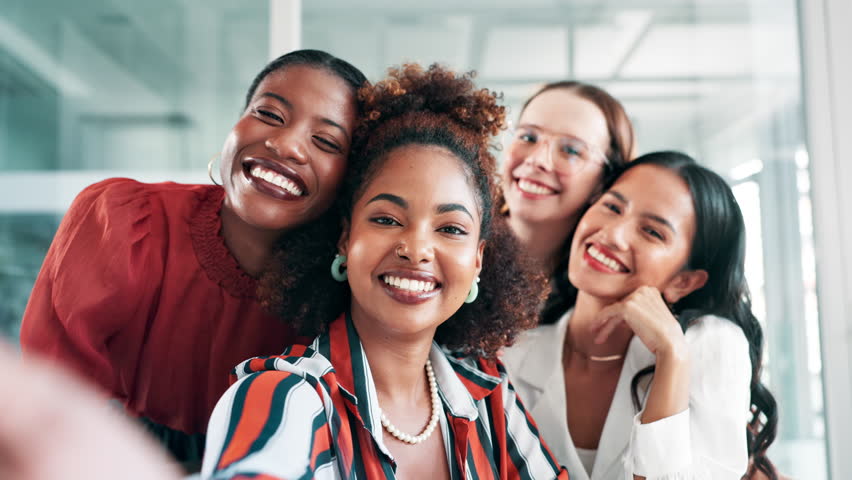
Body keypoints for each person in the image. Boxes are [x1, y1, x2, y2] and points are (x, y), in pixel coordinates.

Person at [200, 63, 568, 479]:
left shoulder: (488, 392)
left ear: (478, 259)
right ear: (345, 238)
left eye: (450, 228)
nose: (415, 250)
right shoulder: (284, 398)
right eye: (387, 219)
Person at [19, 49, 367, 465]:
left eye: (326, 141)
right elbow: (46, 410)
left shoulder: (350, 284)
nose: (285, 144)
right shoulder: (124, 222)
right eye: (270, 114)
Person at [502, 152, 779, 479]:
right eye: (612, 207)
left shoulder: (709, 343)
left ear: (683, 281)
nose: (612, 235)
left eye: (652, 232)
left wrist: (672, 356)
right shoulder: (511, 354)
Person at [500, 81, 636, 325]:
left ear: (603, 182)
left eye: (571, 150)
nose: (537, 160)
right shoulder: (453, 244)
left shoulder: (600, 294)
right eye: (528, 136)